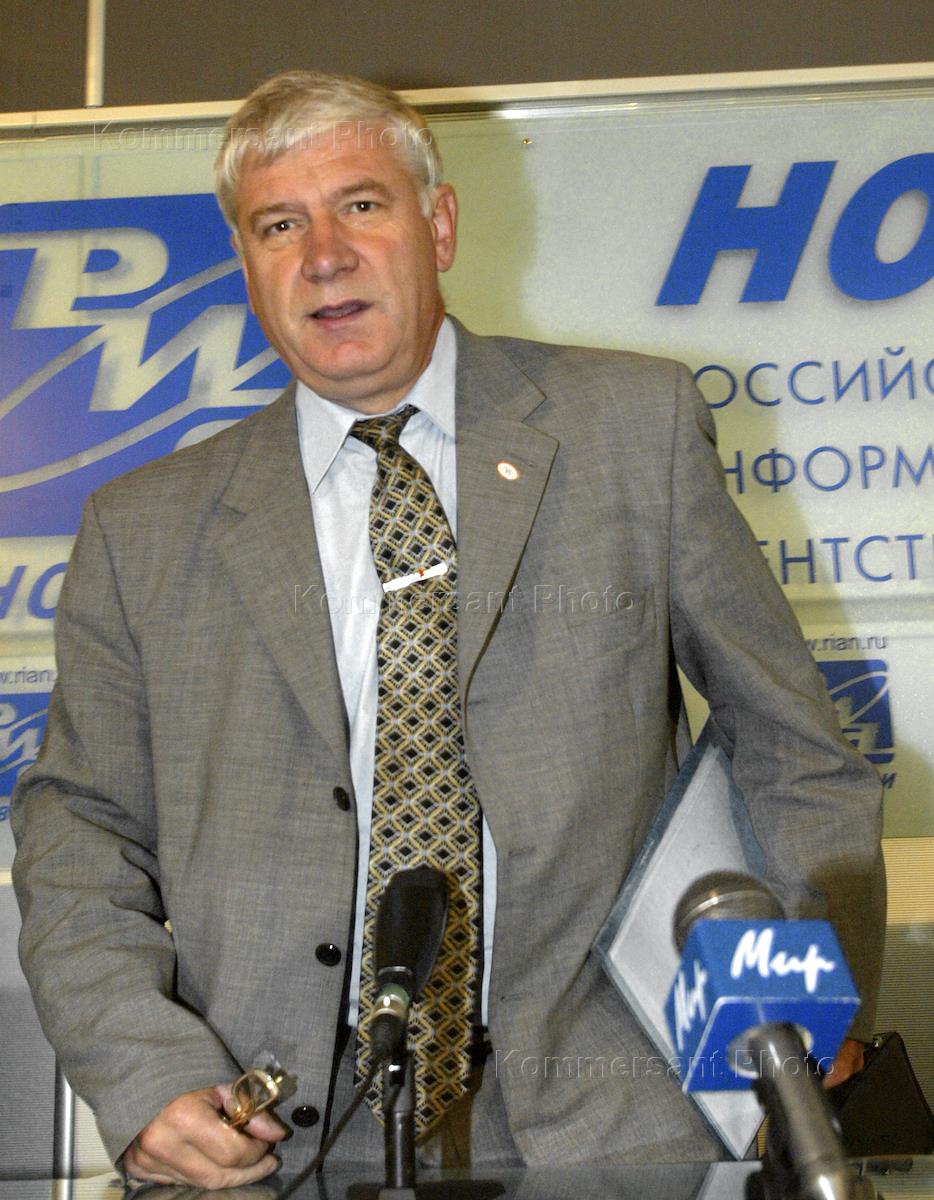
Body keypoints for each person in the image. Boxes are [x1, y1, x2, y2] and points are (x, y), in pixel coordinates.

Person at [11, 70, 885, 1190]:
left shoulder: (633, 429)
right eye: (280, 225)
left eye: (361, 206)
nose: (324, 255)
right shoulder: (142, 528)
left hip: (619, 1128)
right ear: (245, 262)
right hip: (268, 1138)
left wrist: (795, 1019)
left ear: (439, 226)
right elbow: (80, 831)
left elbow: (791, 747)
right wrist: (144, 1072)